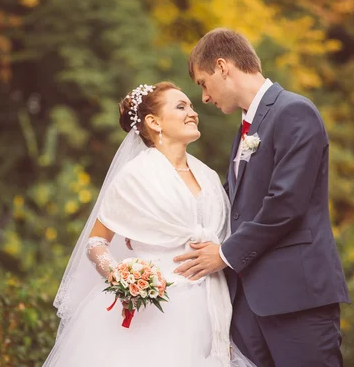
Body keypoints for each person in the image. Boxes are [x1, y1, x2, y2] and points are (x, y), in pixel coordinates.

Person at [44, 82, 254, 367]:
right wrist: (121, 276)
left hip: (211, 308)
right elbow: (96, 242)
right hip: (157, 312)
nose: (193, 112)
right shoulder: (135, 176)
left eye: (191, 106)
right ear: (154, 122)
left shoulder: (208, 175)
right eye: (181, 107)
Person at [174, 28, 351, 366]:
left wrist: (224, 254)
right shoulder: (246, 128)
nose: (205, 98)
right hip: (247, 305)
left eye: (202, 83)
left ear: (223, 67)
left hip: (296, 297)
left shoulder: (294, 111)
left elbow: (286, 204)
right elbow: (231, 206)